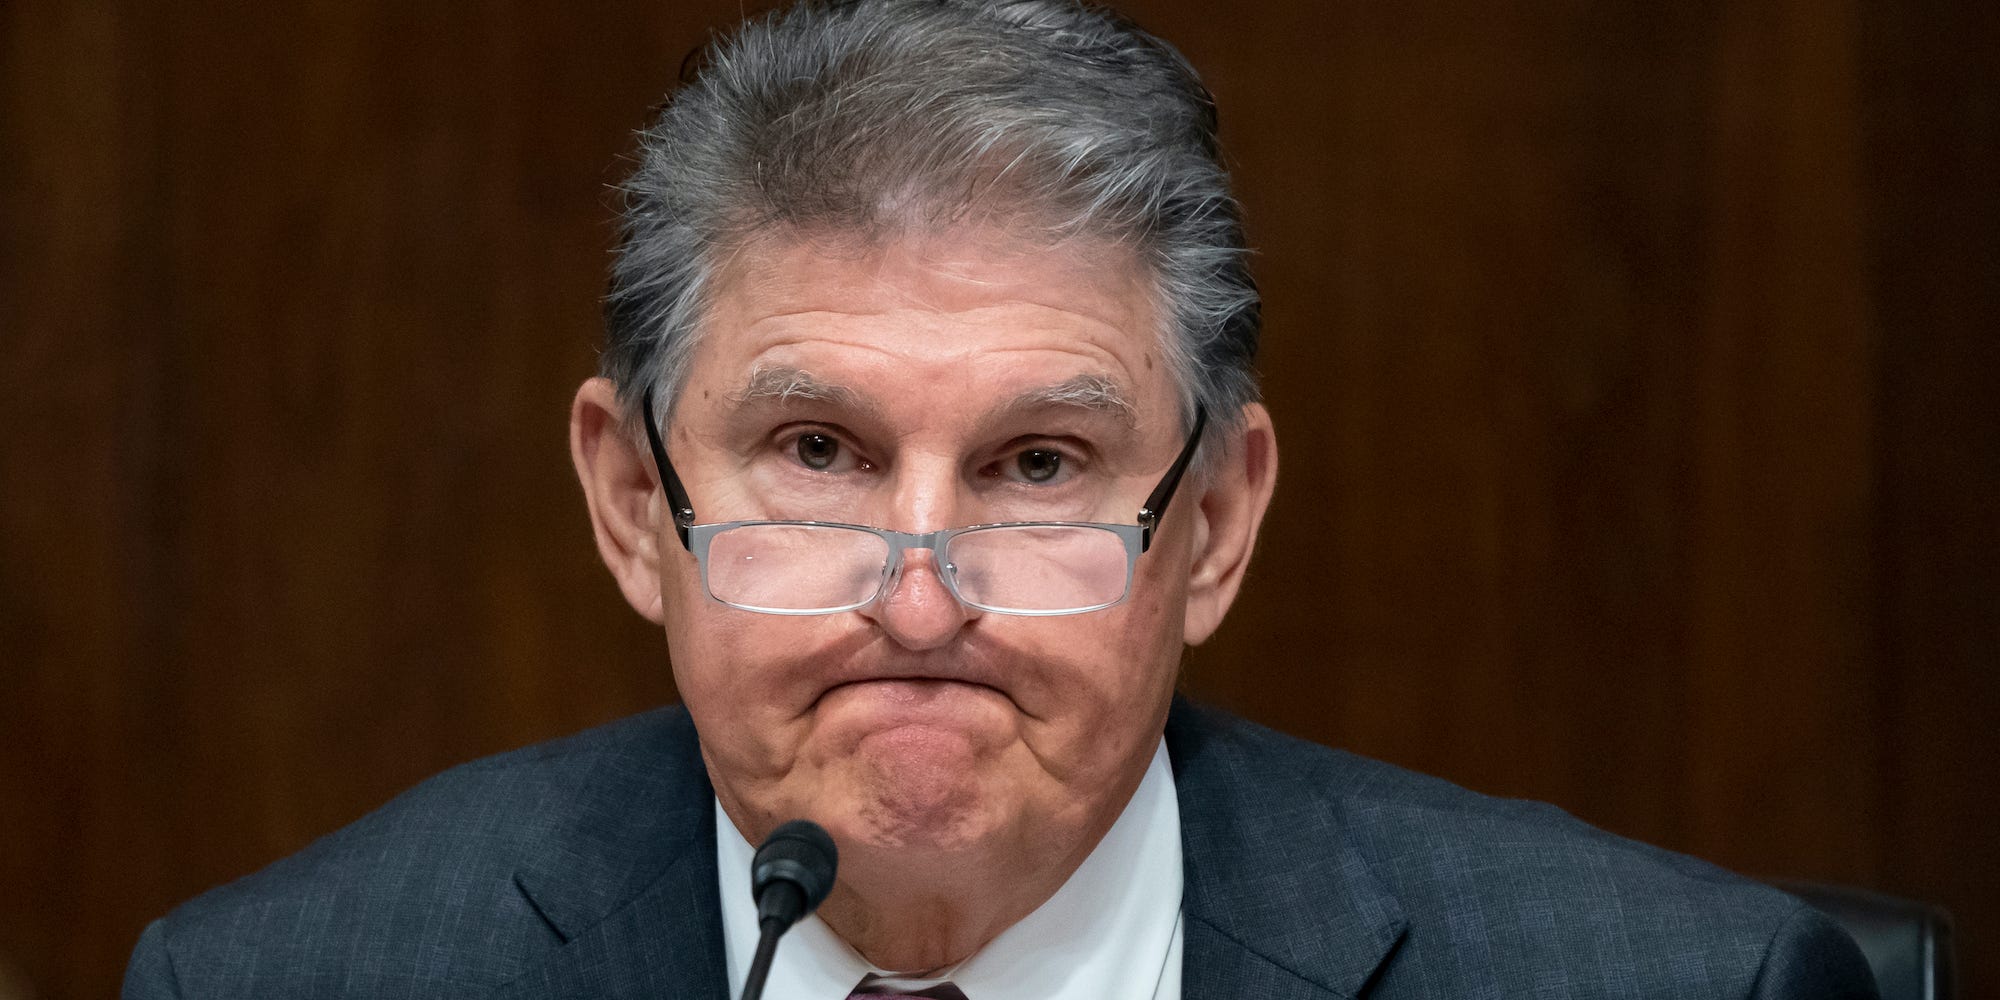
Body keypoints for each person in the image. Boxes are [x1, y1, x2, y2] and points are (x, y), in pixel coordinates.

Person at [123, 1, 1879, 997]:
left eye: (1041, 465)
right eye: (816, 453)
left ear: (1212, 526)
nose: (919, 595)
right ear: (631, 502)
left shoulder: (1675, 990)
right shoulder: (287, 984)